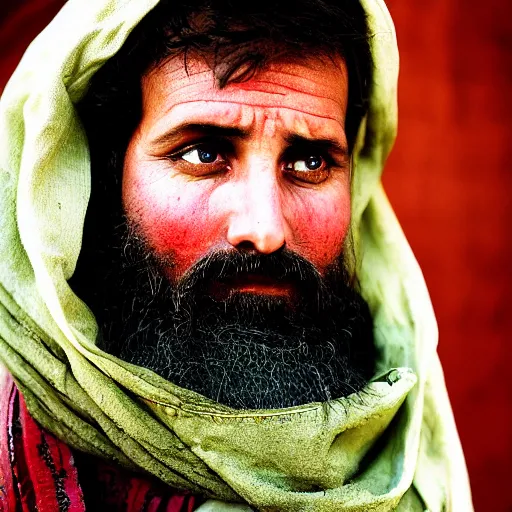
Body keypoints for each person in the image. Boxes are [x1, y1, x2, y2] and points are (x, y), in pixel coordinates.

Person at [0, 0, 473, 510]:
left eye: (309, 160)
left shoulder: (406, 454)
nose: (264, 230)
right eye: (205, 153)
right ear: (99, 175)